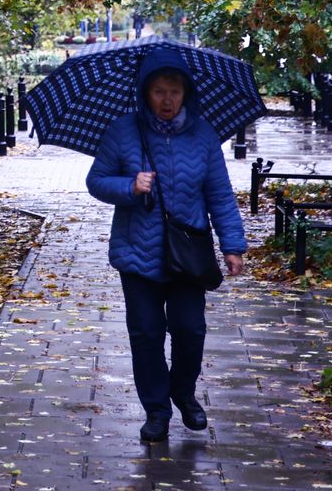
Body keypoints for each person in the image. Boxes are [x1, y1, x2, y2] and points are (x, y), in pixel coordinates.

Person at [86, 48, 247, 443]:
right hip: (137, 252)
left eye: (174, 91)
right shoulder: (123, 131)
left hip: (187, 253)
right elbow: (96, 180)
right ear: (145, 93)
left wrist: (233, 244)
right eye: (159, 91)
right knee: (146, 333)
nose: (167, 100)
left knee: (190, 329)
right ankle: (156, 411)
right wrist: (129, 185)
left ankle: (183, 391)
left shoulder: (204, 134)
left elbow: (220, 195)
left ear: (186, 92)